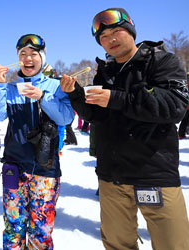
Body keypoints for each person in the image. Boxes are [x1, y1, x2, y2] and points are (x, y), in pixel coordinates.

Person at [60, 8, 189, 249]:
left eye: (117, 31)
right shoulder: (106, 71)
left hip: (154, 173)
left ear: (131, 31)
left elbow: (175, 106)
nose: (111, 40)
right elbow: (97, 116)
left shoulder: (162, 61)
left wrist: (116, 98)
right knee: (117, 244)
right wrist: (76, 94)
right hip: (112, 178)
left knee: (174, 244)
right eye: (104, 37)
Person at [0, 34, 74, 249]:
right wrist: (0, 85)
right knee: (13, 227)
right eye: (23, 54)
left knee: (41, 229)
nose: (28, 58)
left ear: (42, 57)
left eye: (33, 54)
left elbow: (66, 117)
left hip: (46, 169)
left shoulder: (56, 86)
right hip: (15, 167)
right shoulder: (9, 88)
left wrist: (42, 97)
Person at [178, 72, 189, 139]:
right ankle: (181, 134)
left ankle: (181, 134)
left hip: (185, 105)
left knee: (184, 121)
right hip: (186, 105)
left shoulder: (183, 83)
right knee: (184, 121)